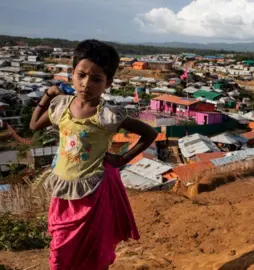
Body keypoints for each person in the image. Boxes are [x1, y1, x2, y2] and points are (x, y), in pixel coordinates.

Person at [29, 40, 158, 270]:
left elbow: (148, 133)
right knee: (60, 253)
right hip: (63, 191)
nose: (86, 84)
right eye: (81, 75)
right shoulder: (61, 107)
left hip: (93, 193)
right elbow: (34, 125)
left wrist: (122, 159)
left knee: (94, 252)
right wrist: (47, 95)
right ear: (72, 73)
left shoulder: (106, 115)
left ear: (108, 83)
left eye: (96, 79)